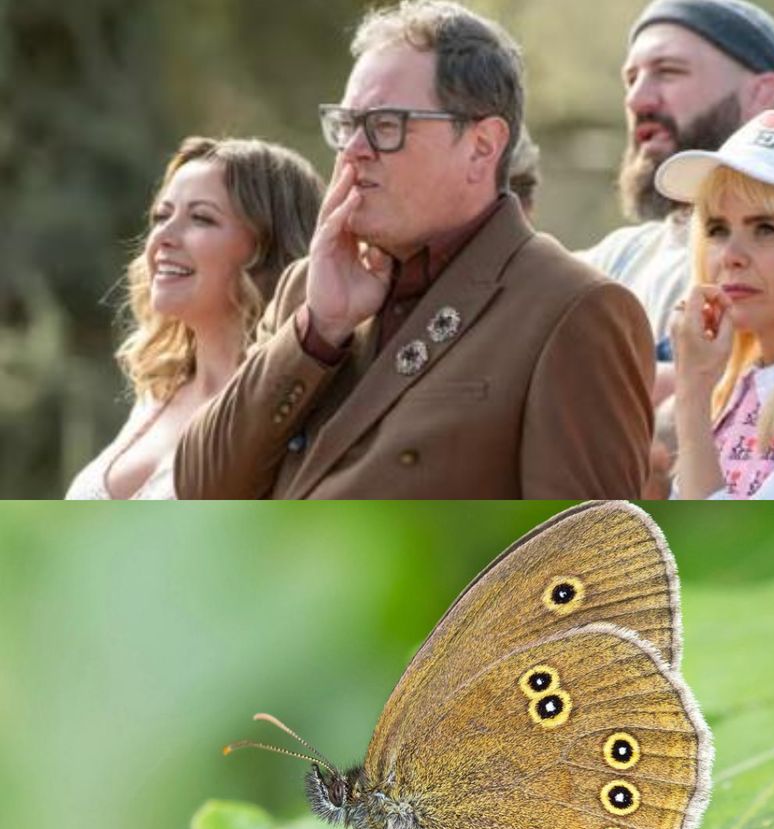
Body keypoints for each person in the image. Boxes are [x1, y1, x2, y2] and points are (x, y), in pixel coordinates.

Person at [174, 0, 654, 500]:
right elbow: (201, 490)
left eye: (386, 126)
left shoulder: (572, 310)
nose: (353, 150)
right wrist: (318, 331)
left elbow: (581, 546)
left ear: (482, 146)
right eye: (347, 125)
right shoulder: (310, 291)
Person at [65, 136, 323, 499]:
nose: (163, 237)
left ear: (268, 249)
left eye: (201, 218)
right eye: (161, 216)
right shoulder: (158, 392)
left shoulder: (290, 414)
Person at [577, 0, 774, 384]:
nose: (636, 99)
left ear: (761, 93)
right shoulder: (621, 256)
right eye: (631, 79)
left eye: (669, 71)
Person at [658, 109, 774, 499]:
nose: (731, 256)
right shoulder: (734, 388)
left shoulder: (705, 389)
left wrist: (691, 393)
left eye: (767, 229)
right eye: (717, 229)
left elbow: (723, 534)